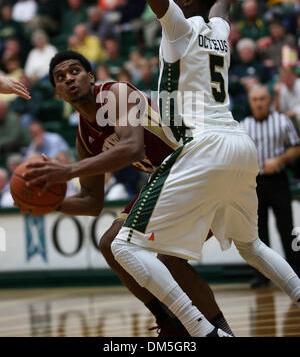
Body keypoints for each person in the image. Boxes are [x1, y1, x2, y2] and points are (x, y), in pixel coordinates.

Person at [91, 0, 300, 337]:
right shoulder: (219, 29)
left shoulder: (181, 29)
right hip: (239, 146)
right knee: (251, 244)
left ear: (184, 3)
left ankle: (205, 333)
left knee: (123, 246)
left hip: (202, 145)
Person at [24, 50, 234, 337]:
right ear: (58, 93)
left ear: (90, 76)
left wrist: (68, 171)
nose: (69, 78)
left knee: (149, 253)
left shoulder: (116, 93)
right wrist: (49, 203)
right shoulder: (84, 138)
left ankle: (200, 327)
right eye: (61, 77)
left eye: (75, 71)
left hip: (191, 164)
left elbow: (133, 148)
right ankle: (173, 322)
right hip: (165, 179)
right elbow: (92, 202)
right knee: (121, 247)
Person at [241, 85, 300, 286]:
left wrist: (280, 160)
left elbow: (296, 147)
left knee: (287, 228)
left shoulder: (281, 121)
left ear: (269, 100)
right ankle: (262, 276)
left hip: (278, 179)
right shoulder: (244, 125)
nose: (259, 103)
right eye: (255, 99)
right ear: (250, 102)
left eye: (262, 99)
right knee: (258, 231)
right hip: (253, 183)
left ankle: (297, 272)